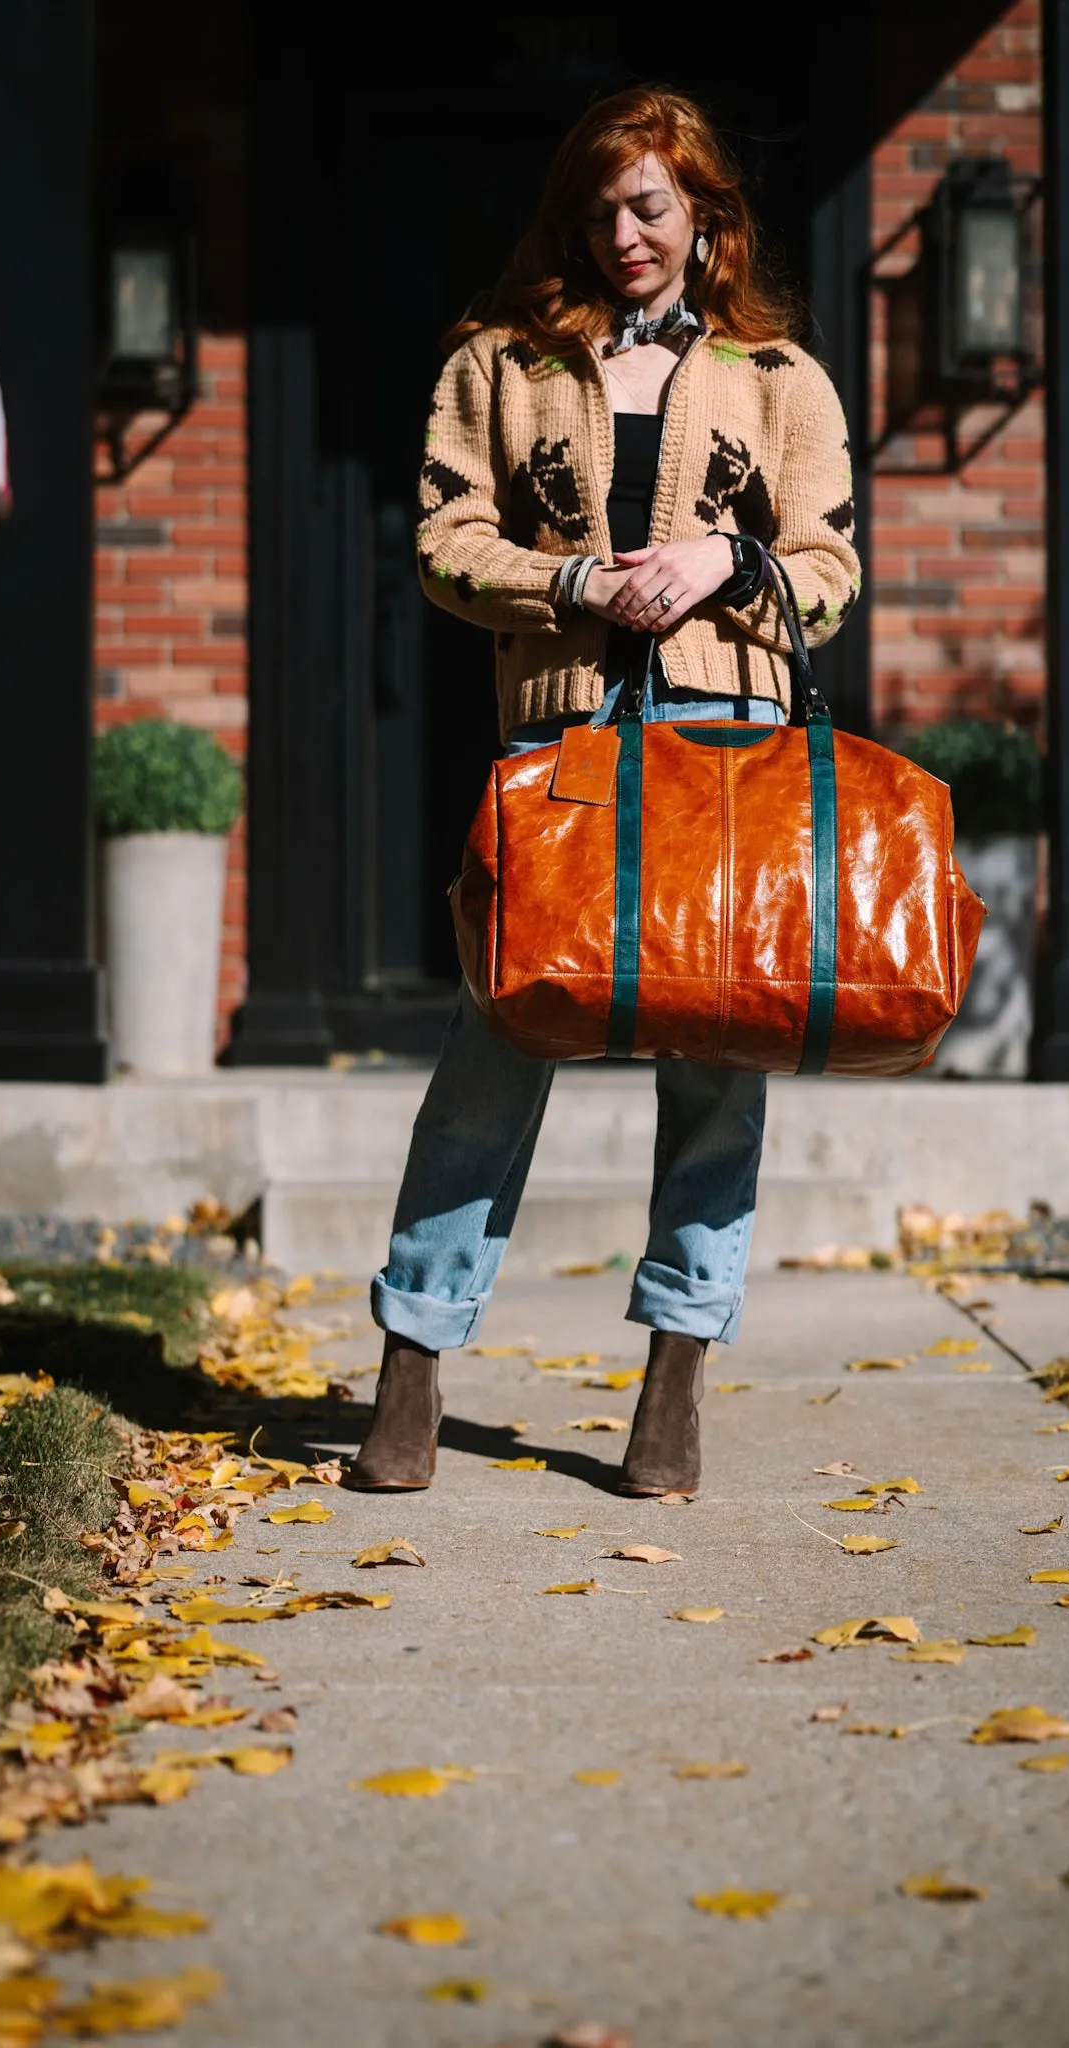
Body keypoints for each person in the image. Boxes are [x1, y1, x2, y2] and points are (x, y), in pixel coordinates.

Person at [349, 84, 860, 1497]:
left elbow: (828, 570)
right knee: (491, 1057)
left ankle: (673, 1383)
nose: (623, 234)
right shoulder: (497, 364)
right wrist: (570, 579)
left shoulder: (781, 379)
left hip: (728, 751)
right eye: (599, 210)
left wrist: (731, 565)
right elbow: (446, 546)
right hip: (563, 752)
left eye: (648, 207)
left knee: (716, 1072)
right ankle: (412, 1364)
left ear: (706, 217)